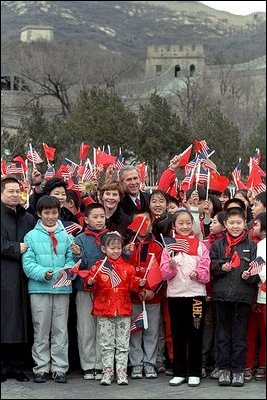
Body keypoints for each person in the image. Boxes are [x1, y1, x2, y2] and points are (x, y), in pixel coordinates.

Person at [22, 196, 77, 384]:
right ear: (39, 214)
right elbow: (28, 263)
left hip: (61, 289)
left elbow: (72, 259)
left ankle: (60, 367)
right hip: (39, 289)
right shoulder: (31, 236)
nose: (51, 217)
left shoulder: (66, 235)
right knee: (41, 329)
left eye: (54, 212)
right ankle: (41, 367)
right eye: (46, 213)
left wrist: (68, 270)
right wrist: (42, 273)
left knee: (60, 329)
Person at [81, 232, 146, 386]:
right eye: (112, 248)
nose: (116, 251)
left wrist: (140, 284)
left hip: (123, 310)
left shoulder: (128, 268)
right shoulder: (98, 267)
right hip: (104, 310)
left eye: (118, 248)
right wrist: (90, 282)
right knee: (106, 344)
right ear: (104, 249)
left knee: (123, 344)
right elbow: (90, 286)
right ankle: (107, 372)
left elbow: (133, 285)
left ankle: (122, 373)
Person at [160, 209, 210, 387]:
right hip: (176, 296)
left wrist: (198, 274)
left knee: (196, 334)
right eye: (180, 223)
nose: (185, 226)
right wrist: (171, 266)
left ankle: (195, 371)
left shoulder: (200, 246)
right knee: (178, 334)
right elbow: (164, 273)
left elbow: (206, 273)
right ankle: (179, 371)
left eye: (188, 222)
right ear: (174, 226)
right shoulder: (170, 247)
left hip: (196, 295)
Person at [210, 207, 259, 387]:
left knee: (239, 336)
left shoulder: (251, 246)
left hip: (242, 297)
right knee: (222, 335)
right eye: (231, 223)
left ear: (245, 224)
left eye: (239, 222)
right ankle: (224, 369)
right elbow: (211, 266)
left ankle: (238, 370)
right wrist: (220, 267)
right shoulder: (218, 245)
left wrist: (249, 275)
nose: (235, 226)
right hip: (221, 296)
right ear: (225, 225)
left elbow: (257, 270)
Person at [1, 176, 36, 383]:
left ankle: (17, 366)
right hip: (5, 275)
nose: (15, 195)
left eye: (18, 191)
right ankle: (3, 367)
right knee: (5, 321)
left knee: (22, 322)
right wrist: (16, 248)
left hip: (25, 276)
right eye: (10, 191)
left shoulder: (28, 218)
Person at [72, 203, 109, 380]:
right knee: (86, 328)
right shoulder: (79, 239)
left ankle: (101, 364)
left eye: (102, 216)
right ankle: (88, 364)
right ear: (86, 220)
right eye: (95, 217)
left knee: (103, 327)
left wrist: (124, 252)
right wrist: (78, 255)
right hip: (85, 288)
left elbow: (116, 260)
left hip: (106, 289)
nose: (99, 220)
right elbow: (79, 265)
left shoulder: (111, 237)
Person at [125, 211, 163, 380]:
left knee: (152, 331)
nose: (143, 225)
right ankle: (136, 363)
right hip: (132, 297)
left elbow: (163, 272)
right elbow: (122, 270)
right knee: (135, 330)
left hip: (152, 297)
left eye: (146, 221)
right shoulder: (127, 247)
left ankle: (150, 363)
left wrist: (152, 290)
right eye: (139, 221)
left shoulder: (158, 246)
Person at [244, 212, 266, 382]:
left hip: (263, 294)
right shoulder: (257, 245)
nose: (253, 228)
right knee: (251, 331)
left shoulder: (261, 245)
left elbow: (260, 268)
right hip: (256, 294)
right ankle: (248, 364)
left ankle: (263, 365)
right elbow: (257, 267)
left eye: (256, 225)